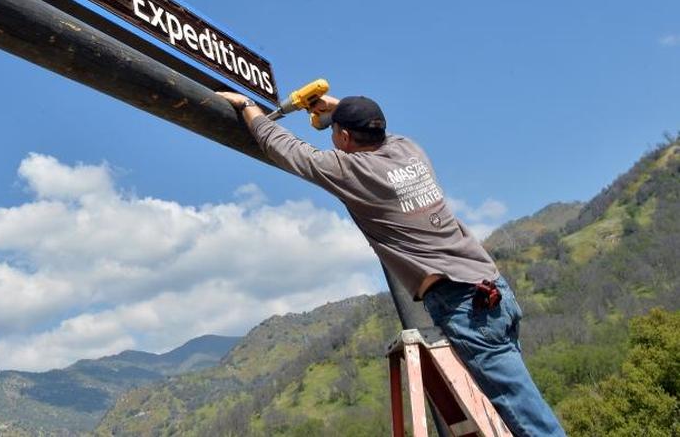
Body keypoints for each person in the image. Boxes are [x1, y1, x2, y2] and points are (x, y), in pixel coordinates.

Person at [216, 90, 565, 436]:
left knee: (526, 416)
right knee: (522, 404)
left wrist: (247, 106)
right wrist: (340, 109)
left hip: (464, 303)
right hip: (493, 291)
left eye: (336, 131)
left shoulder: (353, 171)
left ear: (345, 136)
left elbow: (288, 150)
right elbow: (378, 130)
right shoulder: (409, 149)